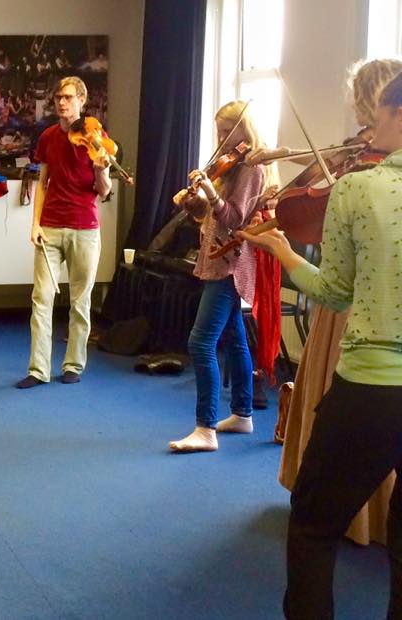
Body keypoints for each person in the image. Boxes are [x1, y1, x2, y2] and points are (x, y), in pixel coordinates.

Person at [238, 70, 402, 620]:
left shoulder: (359, 187)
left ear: (399, 115)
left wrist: (283, 253)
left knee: (311, 524)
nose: (370, 127)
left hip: (372, 391)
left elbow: (333, 291)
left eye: (377, 115)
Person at [168, 100, 277, 452]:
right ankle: (243, 413)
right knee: (234, 339)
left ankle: (206, 428)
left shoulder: (253, 170)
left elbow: (234, 218)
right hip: (217, 258)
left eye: (228, 132)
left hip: (231, 262)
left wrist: (212, 194)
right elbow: (209, 214)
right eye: (218, 133)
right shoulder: (228, 168)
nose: (223, 140)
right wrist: (192, 200)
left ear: (246, 131)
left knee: (200, 342)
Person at [16, 76, 111, 389]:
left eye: (68, 97)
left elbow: (104, 190)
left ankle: (73, 364)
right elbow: (42, 182)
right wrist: (35, 223)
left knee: (80, 302)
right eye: (58, 97)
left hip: (85, 227)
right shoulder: (47, 137)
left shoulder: (96, 137)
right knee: (41, 299)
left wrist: (101, 170)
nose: (61, 102)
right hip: (51, 227)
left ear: (82, 101)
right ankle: (38, 369)